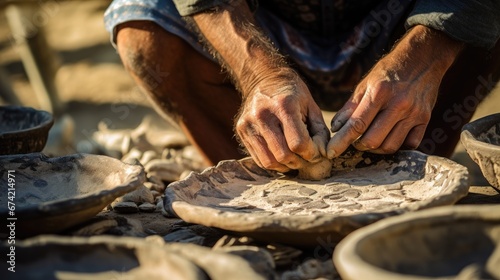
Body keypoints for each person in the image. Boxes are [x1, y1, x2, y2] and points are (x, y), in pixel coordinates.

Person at [104, 0, 500, 173]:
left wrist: (423, 60)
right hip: (261, 20)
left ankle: (409, 173)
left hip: (408, 16)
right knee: (143, 30)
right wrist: (261, 74)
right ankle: (263, 179)